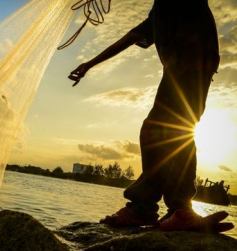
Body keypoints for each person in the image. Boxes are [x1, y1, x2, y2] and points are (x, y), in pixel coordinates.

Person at [69, 0, 233, 231]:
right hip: (192, 63)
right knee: (179, 132)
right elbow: (130, 37)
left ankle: (144, 207)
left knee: (157, 129)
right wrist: (90, 64)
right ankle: (180, 209)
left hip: (192, 58)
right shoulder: (159, 13)